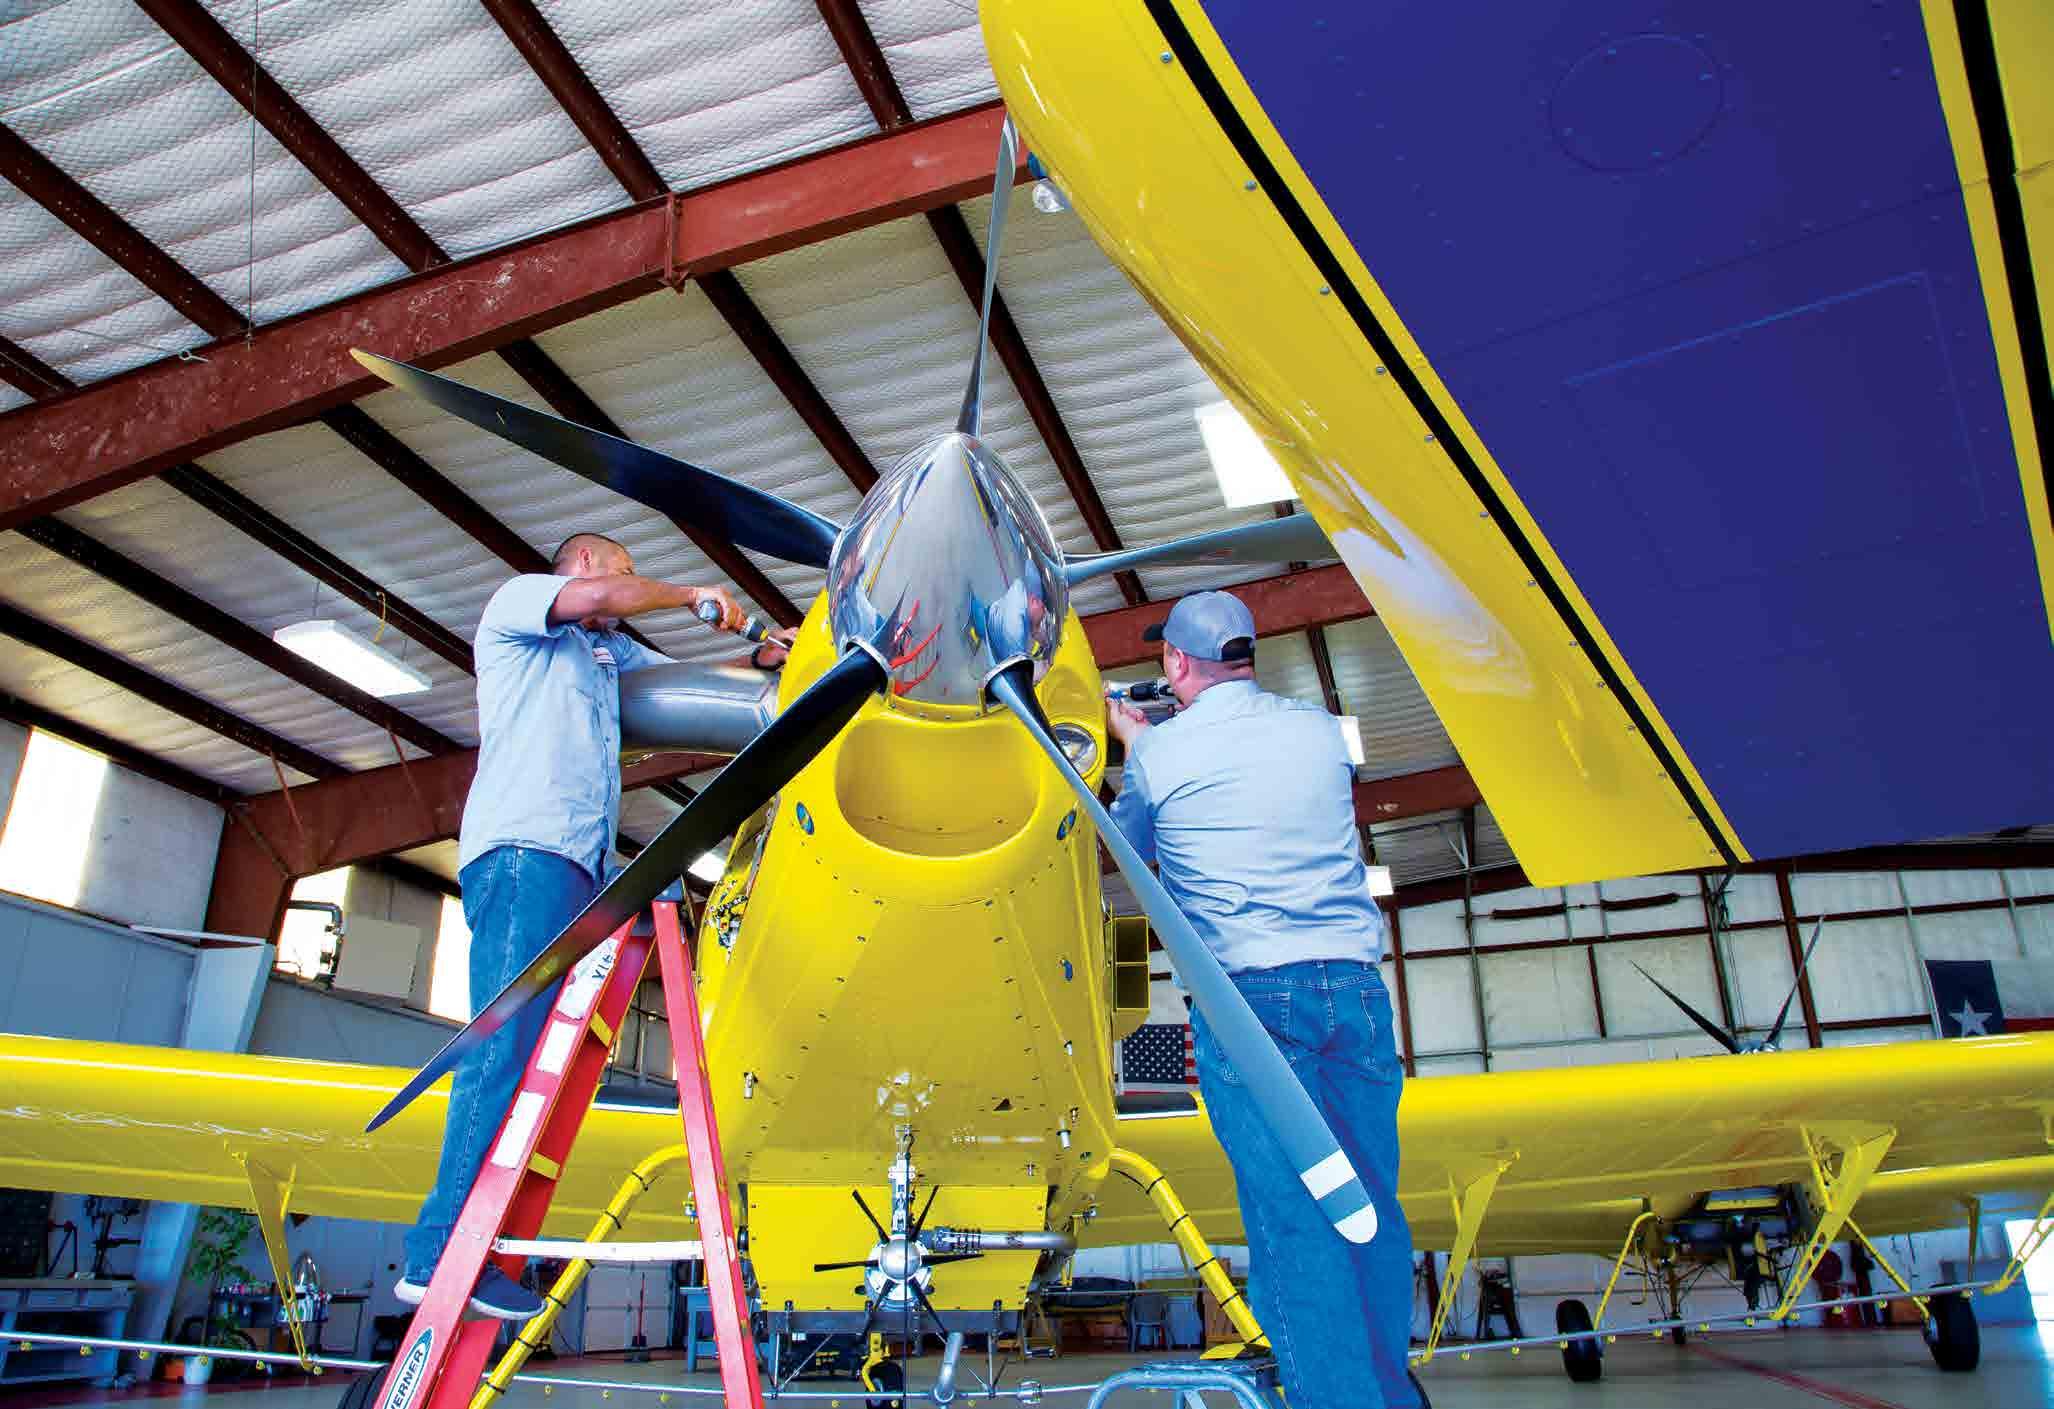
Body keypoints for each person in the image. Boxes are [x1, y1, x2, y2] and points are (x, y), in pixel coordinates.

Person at [396, 531, 787, 1317]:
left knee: (528, 1061)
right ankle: (437, 1254)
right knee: (500, 1050)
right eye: (623, 570)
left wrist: (766, 655)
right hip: (525, 852)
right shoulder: (520, 605)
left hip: (579, 865)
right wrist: (690, 595)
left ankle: (478, 1246)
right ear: (581, 566)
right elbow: (607, 600)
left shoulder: (605, 657)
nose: (628, 586)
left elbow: (680, 684)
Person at [1106, 589, 1417, 1409]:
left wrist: (1136, 742)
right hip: (1354, 990)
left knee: (1296, 1218)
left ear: (1176, 662)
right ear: (1246, 653)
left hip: (1253, 1004)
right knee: (1368, 1207)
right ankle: (1388, 1393)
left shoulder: (1158, 755)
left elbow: (1125, 852)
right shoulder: (1319, 731)